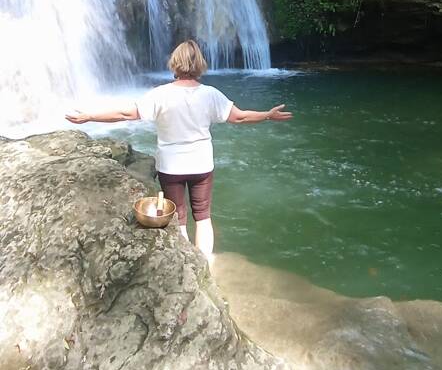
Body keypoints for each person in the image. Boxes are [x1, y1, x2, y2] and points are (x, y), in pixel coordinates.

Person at [65, 40, 292, 262]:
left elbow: (125, 115)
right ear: (200, 65)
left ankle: (188, 266)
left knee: (179, 219)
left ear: (175, 63)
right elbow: (240, 117)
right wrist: (267, 115)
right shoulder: (211, 94)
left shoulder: (160, 94)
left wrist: (89, 117)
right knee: (203, 217)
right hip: (201, 165)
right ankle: (206, 264)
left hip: (171, 167)